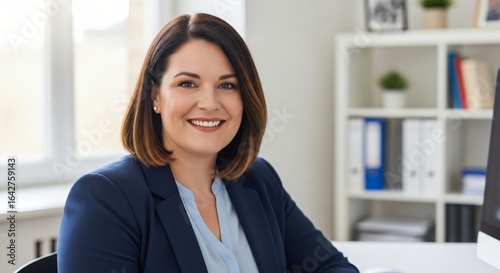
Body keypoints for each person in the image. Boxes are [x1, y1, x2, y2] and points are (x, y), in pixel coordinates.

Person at [57, 13, 359, 273]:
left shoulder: (258, 179)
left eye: (227, 85)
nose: (209, 102)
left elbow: (331, 265)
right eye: (187, 84)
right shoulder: (105, 199)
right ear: (155, 96)